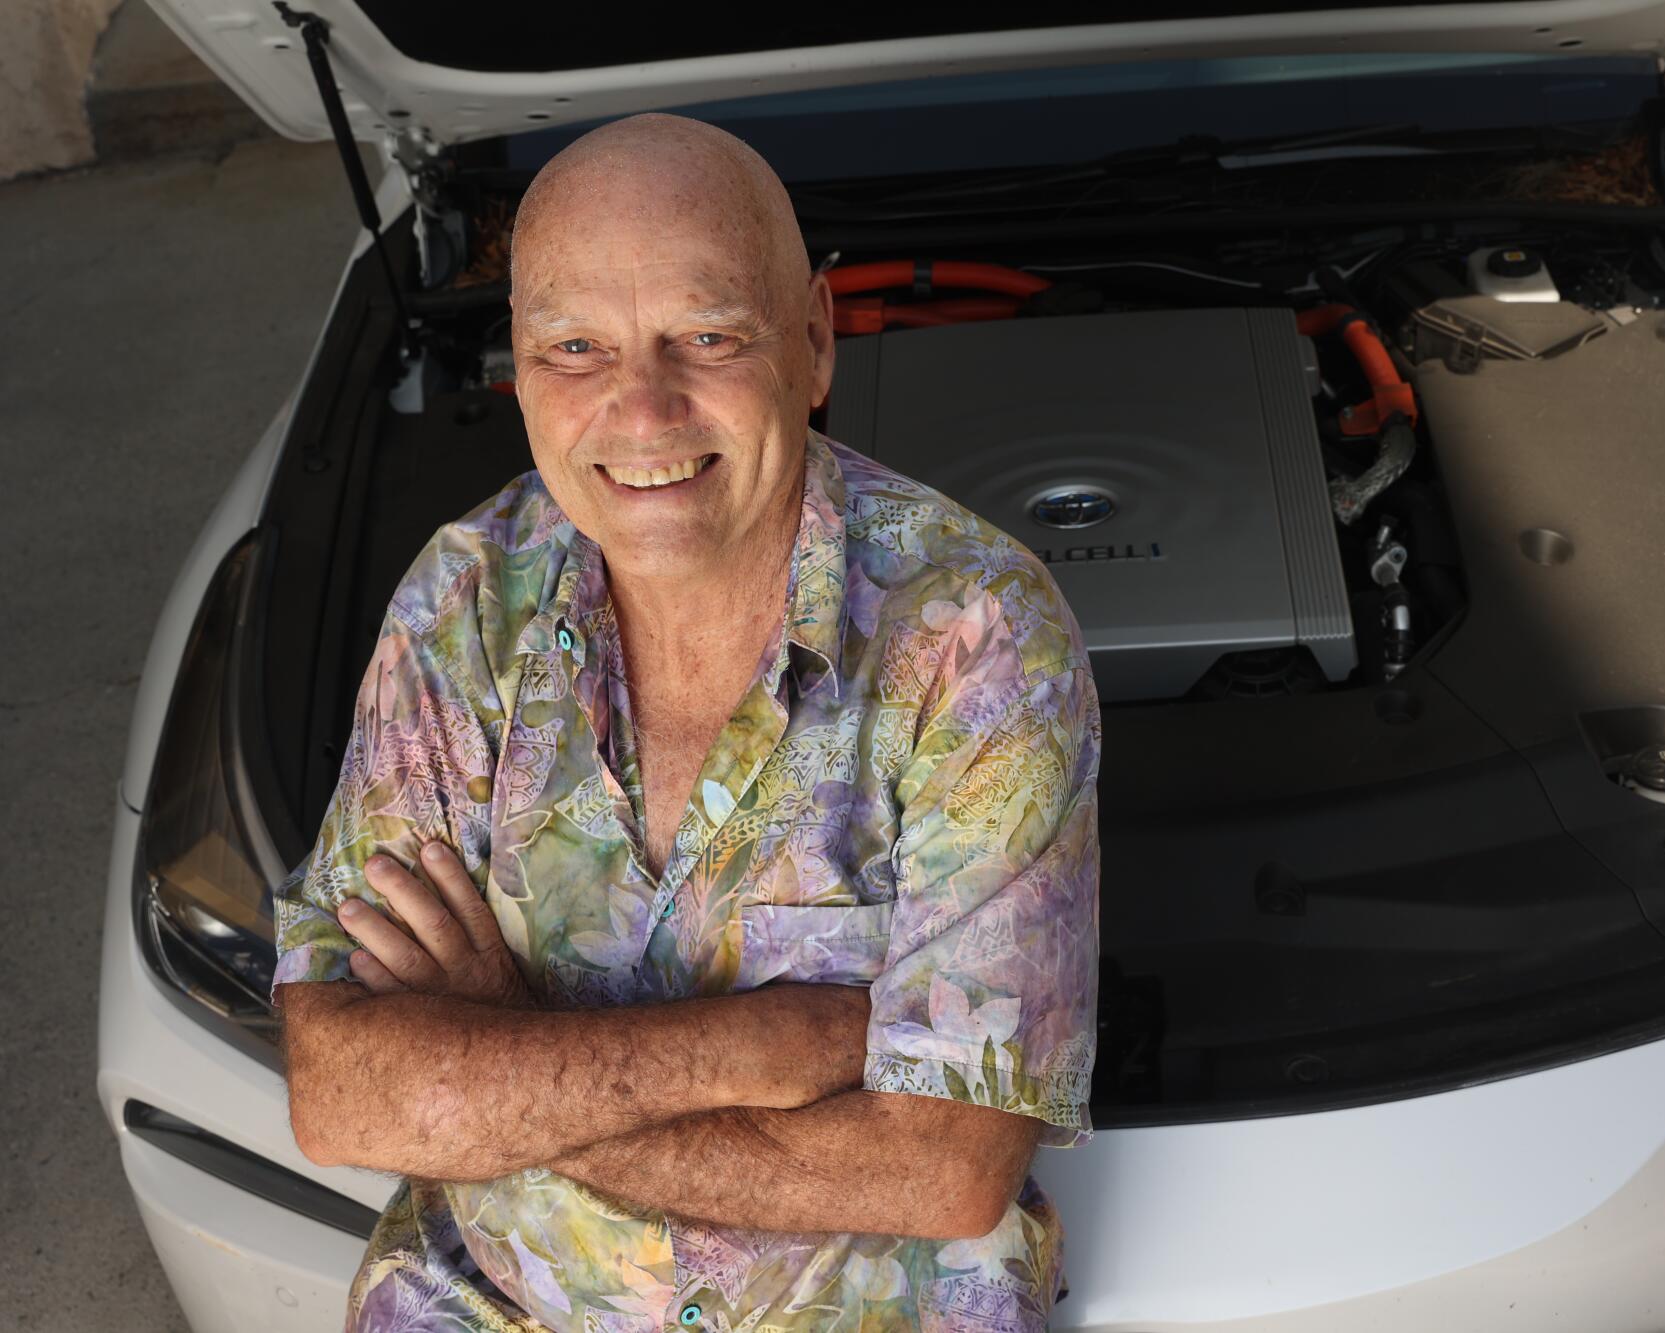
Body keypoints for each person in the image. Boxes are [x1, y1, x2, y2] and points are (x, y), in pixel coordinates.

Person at [270, 112, 1101, 1332]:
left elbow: (942, 1167)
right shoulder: (463, 598)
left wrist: (499, 1061)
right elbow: (345, 1094)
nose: (642, 412)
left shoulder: (973, 632)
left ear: (813, 340)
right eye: (574, 348)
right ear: (513, 361)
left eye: (706, 335)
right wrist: (758, 1046)